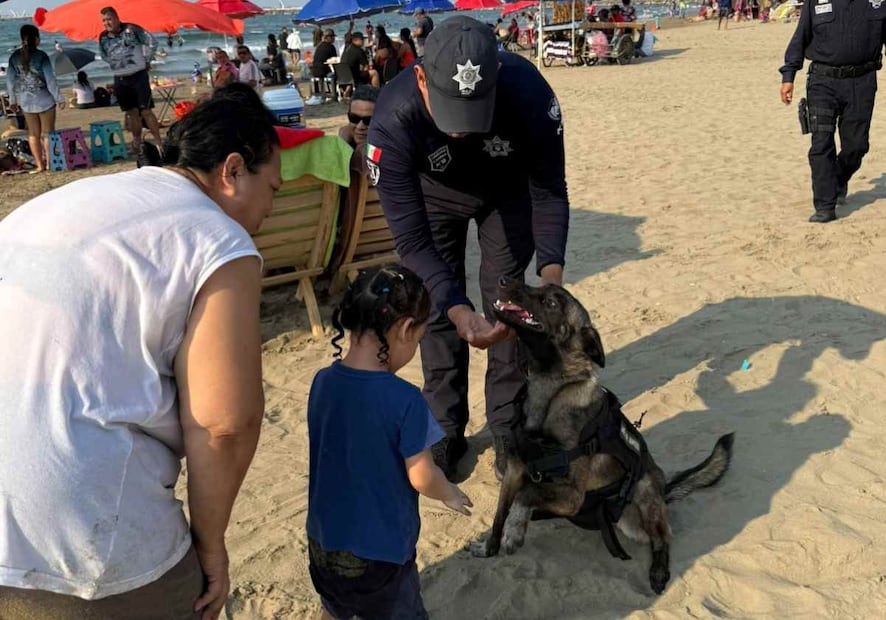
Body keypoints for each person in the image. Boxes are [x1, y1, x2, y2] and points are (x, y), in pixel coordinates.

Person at [0, 83, 281, 620]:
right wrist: (211, 545)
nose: (271, 206)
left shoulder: (70, 199)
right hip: (73, 526)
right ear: (233, 170)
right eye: (273, 187)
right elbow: (225, 424)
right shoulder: (219, 238)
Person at [366, 16, 569, 481]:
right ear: (421, 77)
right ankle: (443, 427)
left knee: (507, 306)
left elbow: (550, 192)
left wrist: (550, 280)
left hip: (507, 196)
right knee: (437, 310)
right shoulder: (392, 120)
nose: (462, 130)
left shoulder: (530, 94)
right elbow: (411, 240)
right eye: (451, 113)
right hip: (433, 201)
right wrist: (456, 310)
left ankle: (507, 425)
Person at [307, 265, 472, 620]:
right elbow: (421, 476)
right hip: (380, 556)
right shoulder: (405, 399)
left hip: (322, 545)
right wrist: (449, 492)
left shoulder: (322, 382)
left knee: (335, 607)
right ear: (403, 329)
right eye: (418, 338)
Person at [779, 0, 886, 223]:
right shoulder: (816, 1)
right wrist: (788, 75)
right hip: (822, 82)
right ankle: (825, 206)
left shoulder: (878, 2)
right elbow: (801, 36)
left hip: (863, 82)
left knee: (856, 146)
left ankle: (838, 178)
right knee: (821, 143)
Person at [98, 6, 162, 152]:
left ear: (117, 18)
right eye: (104, 20)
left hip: (138, 76)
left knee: (146, 110)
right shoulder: (103, 36)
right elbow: (103, 55)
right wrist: (116, 64)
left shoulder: (132, 29)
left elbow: (152, 42)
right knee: (132, 113)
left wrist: (148, 60)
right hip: (120, 79)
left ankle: (158, 141)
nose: (107, 23)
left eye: (109, 19)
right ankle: (137, 142)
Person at [5, 24, 64, 172]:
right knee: (48, 133)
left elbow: (10, 81)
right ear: (36, 39)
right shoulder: (41, 56)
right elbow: (50, 80)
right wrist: (59, 98)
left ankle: (39, 165)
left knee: (33, 133)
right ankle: (51, 164)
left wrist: (12, 101)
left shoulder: (14, 57)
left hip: (26, 101)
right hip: (45, 99)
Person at [339, 85, 378, 174]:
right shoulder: (347, 136)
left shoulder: (389, 145)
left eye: (368, 121)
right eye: (354, 118)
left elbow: (375, 159)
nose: (360, 126)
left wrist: (342, 145)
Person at [307, 29, 338, 105]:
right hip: (323, 71)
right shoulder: (330, 47)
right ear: (328, 37)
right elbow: (335, 59)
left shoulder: (320, 46)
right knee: (336, 75)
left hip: (314, 70)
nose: (334, 39)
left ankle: (324, 93)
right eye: (332, 37)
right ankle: (334, 94)